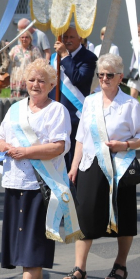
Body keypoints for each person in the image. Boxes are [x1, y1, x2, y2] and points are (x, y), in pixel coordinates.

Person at [65, 54, 140, 279]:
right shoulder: (90, 102)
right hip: (91, 164)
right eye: (100, 74)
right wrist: (74, 166)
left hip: (120, 167)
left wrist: (124, 145)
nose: (104, 78)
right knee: (85, 215)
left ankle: (120, 264)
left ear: (120, 77)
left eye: (109, 75)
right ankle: (79, 269)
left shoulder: (130, 104)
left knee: (123, 215)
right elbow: (81, 136)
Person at [0, 59, 73, 279]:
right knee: (19, 234)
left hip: (42, 182)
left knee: (35, 235)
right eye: (31, 79)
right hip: (15, 180)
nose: (35, 84)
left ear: (51, 84)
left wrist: (26, 152)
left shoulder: (57, 110)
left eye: (41, 80)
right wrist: (5, 147)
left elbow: (58, 146)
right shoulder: (15, 109)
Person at [50, 25, 98, 170]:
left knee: (72, 158)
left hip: (75, 115)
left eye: (72, 37)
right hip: (55, 112)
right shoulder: (54, 58)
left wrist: (65, 56)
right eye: (65, 37)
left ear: (80, 38)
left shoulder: (88, 57)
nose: (68, 40)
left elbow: (78, 79)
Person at [9, 29, 42, 98]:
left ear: (30, 38)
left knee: (26, 98)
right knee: (15, 98)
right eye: (22, 37)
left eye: (27, 37)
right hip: (16, 77)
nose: (24, 39)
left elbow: (39, 64)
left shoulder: (34, 50)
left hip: (28, 77)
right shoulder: (15, 49)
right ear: (19, 38)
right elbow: (8, 59)